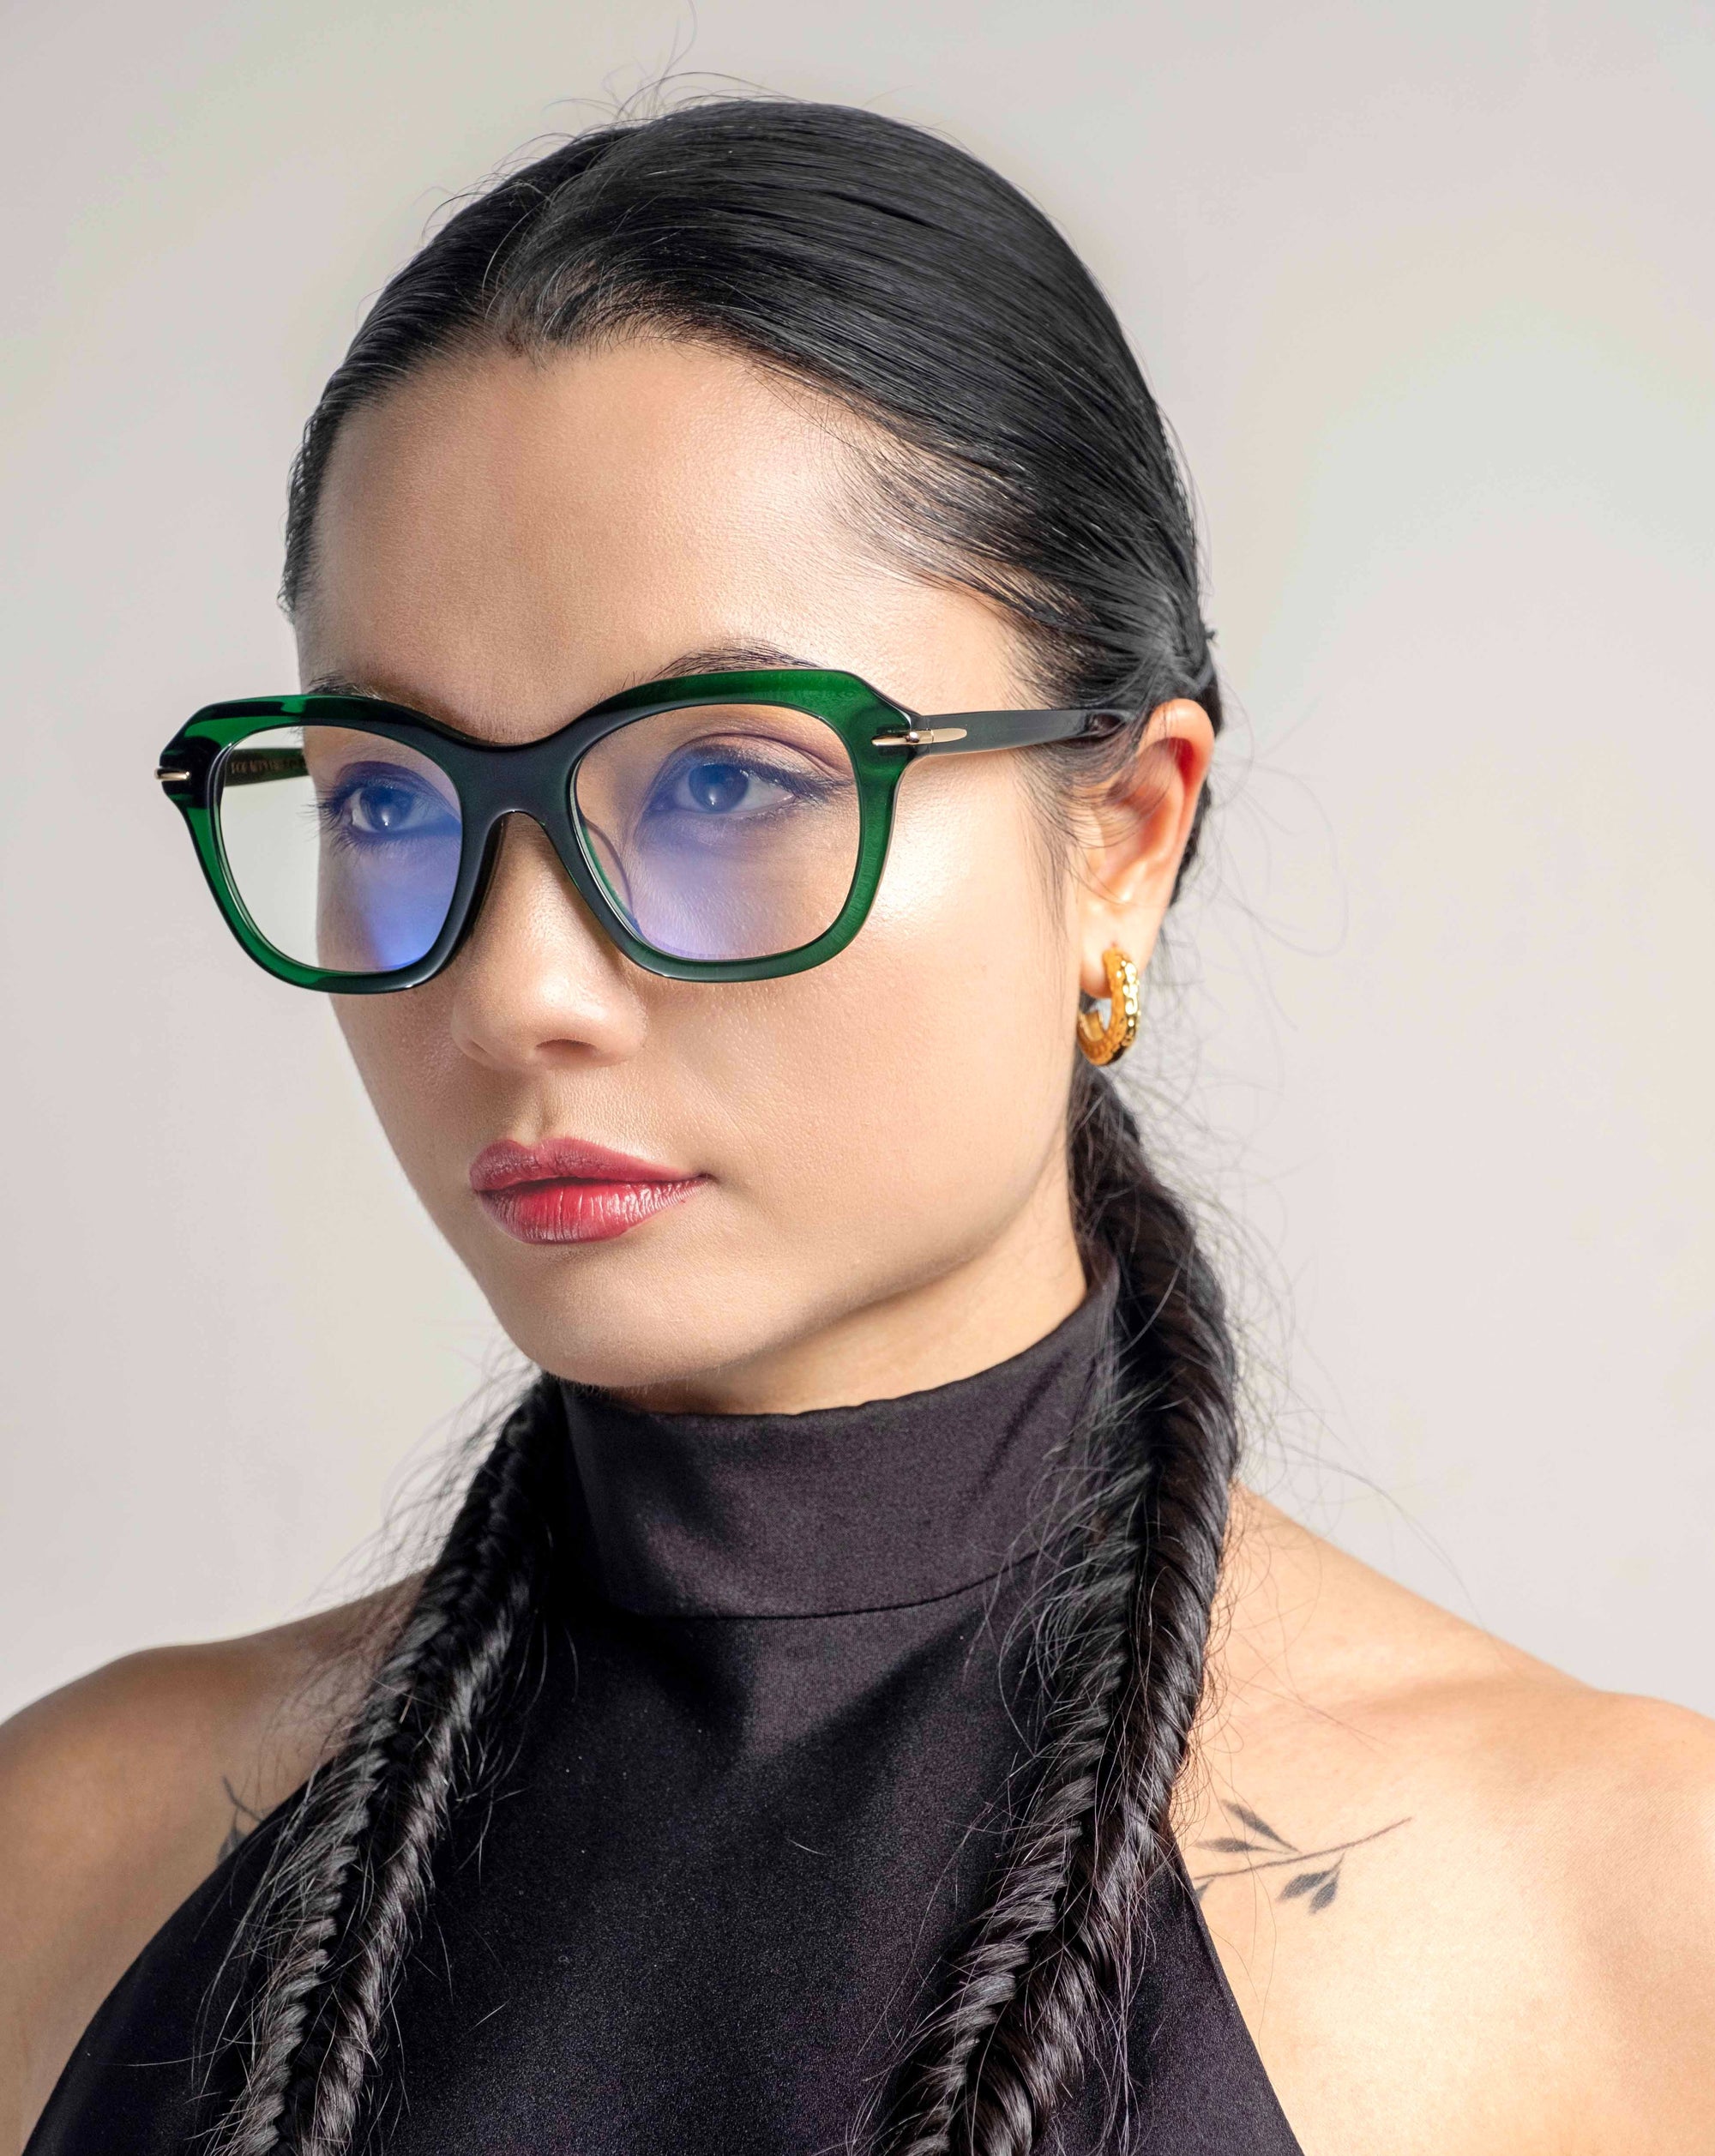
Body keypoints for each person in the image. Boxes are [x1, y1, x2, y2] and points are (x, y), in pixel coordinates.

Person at [3, 97, 1712, 2156]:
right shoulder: (69, 1857)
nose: (515, 988)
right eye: (387, 794)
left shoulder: (1615, 1917)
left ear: (1122, 836)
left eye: (723, 780)